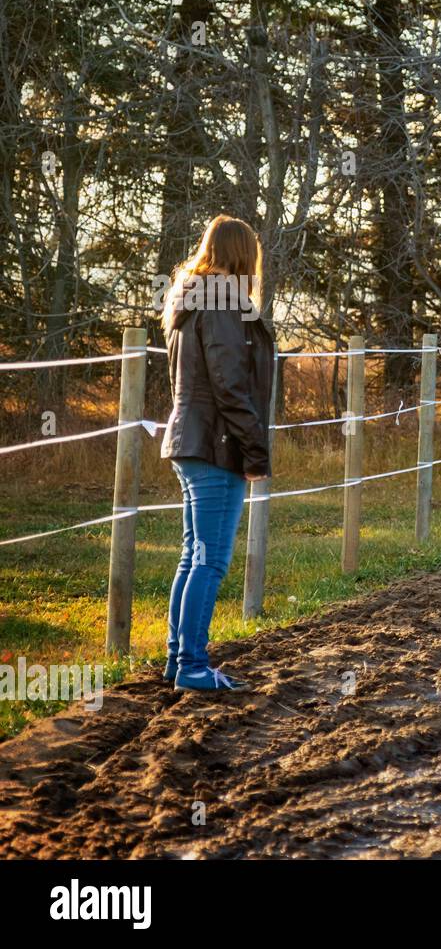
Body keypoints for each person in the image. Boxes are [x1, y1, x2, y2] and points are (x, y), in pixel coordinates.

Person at [159, 215, 274, 691]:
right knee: (209, 560)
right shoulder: (224, 301)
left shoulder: (190, 298)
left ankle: (178, 659)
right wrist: (255, 452)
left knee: (194, 555)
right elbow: (230, 385)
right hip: (215, 444)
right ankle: (192, 664)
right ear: (243, 256)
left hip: (190, 440)